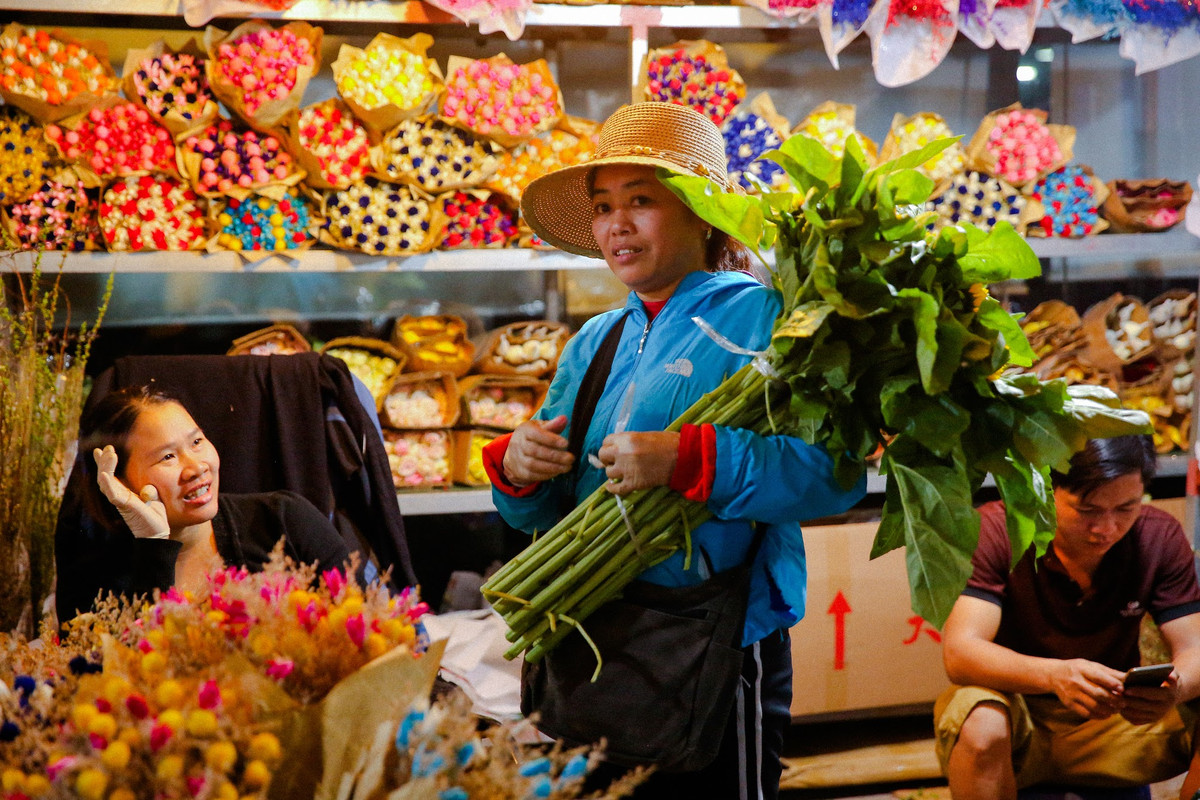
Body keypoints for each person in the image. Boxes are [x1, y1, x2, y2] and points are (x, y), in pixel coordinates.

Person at [482, 101, 866, 798]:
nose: (615, 225)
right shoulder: (593, 341)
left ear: (700, 211)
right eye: (602, 206)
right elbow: (537, 518)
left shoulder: (770, 319)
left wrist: (694, 461)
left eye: (641, 200)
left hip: (714, 642)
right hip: (592, 634)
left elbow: (833, 475)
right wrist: (518, 472)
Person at [936, 434, 1200, 800]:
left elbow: (1194, 647)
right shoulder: (997, 530)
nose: (1106, 528)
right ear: (1044, 489)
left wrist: (1176, 687)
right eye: (1088, 510)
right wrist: (1053, 674)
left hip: (1115, 724)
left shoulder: (1158, 537)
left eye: (1126, 508)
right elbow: (960, 653)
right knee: (980, 719)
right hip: (1020, 721)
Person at [56, 385, 353, 619]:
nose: (197, 466)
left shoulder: (284, 518)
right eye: (168, 456)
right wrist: (153, 548)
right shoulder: (92, 572)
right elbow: (120, 676)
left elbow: (368, 624)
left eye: (197, 442)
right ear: (118, 482)